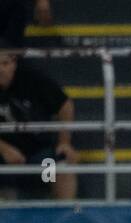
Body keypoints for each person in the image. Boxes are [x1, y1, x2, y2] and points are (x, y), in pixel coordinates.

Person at [0, 44, 77, 199]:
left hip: (40, 154)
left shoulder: (31, 79)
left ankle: (65, 215)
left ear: (14, 62)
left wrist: (64, 142)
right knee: (7, 184)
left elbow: (65, 105)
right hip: (4, 158)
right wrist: (4, 149)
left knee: (60, 166)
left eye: (5, 64)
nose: (0, 70)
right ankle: (7, 216)